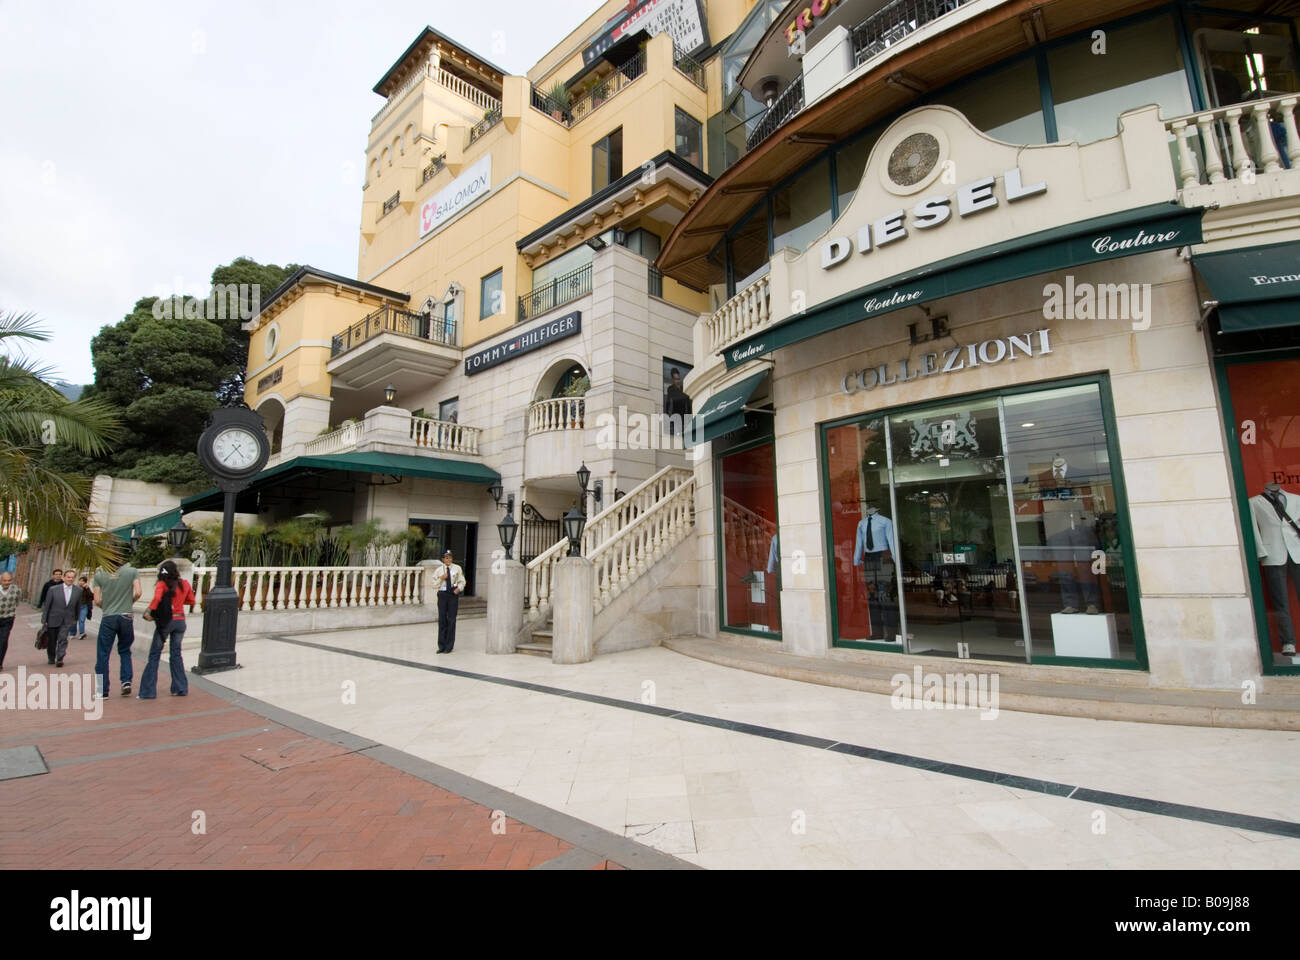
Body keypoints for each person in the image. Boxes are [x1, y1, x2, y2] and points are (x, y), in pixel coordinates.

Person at [138, 561, 194, 699]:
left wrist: (150, 611)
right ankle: (180, 688)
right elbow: (191, 601)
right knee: (176, 654)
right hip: (180, 621)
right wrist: (179, 602)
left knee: (154, 655)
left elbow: (157, 598)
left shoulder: (162, 584)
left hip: (166, 622)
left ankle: (148, 691)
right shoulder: (184, 584)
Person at [93, 560, 141, 697]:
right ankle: (126, 681)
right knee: (125, 650)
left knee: (103, 653)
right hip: (126, 616)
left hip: (108, 617)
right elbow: (138, 592)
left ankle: (103, 691)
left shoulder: (100, 575)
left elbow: (96, 600)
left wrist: (107, 607)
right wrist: (128, 603)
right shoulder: (132, 571)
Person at [40, 569, 82, 668]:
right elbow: (47, 605)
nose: (70, 579)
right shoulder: (53, 589)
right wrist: (44, 619)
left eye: (72, 577)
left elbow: (78, 605)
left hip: (67, 619)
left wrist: (76, 617)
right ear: (64, 578)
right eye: (68, 577)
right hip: (53, 618)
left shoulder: (78, 591)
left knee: (63, 639)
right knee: (52, 640)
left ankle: (60, 658)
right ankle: (51, 657)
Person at [435, 549, 466, 654]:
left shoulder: (457, 568)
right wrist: (441, 578)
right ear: (443, 559)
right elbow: (433, 584)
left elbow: (462, 581)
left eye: (450, 557)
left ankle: (449, 646)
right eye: (446, 557)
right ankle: (441, 645)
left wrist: (459, 589)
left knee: (451, 620)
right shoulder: (439, 570)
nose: (448, 559)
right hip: (442, 594)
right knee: (442, 620)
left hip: (452, 594)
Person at [0, 571, 18, 669]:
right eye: (4, 580)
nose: (6, 582)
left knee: (3, 640)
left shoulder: (16, 590)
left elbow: (17, 602)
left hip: (8, 619)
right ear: (0, 580)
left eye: (9, 580)